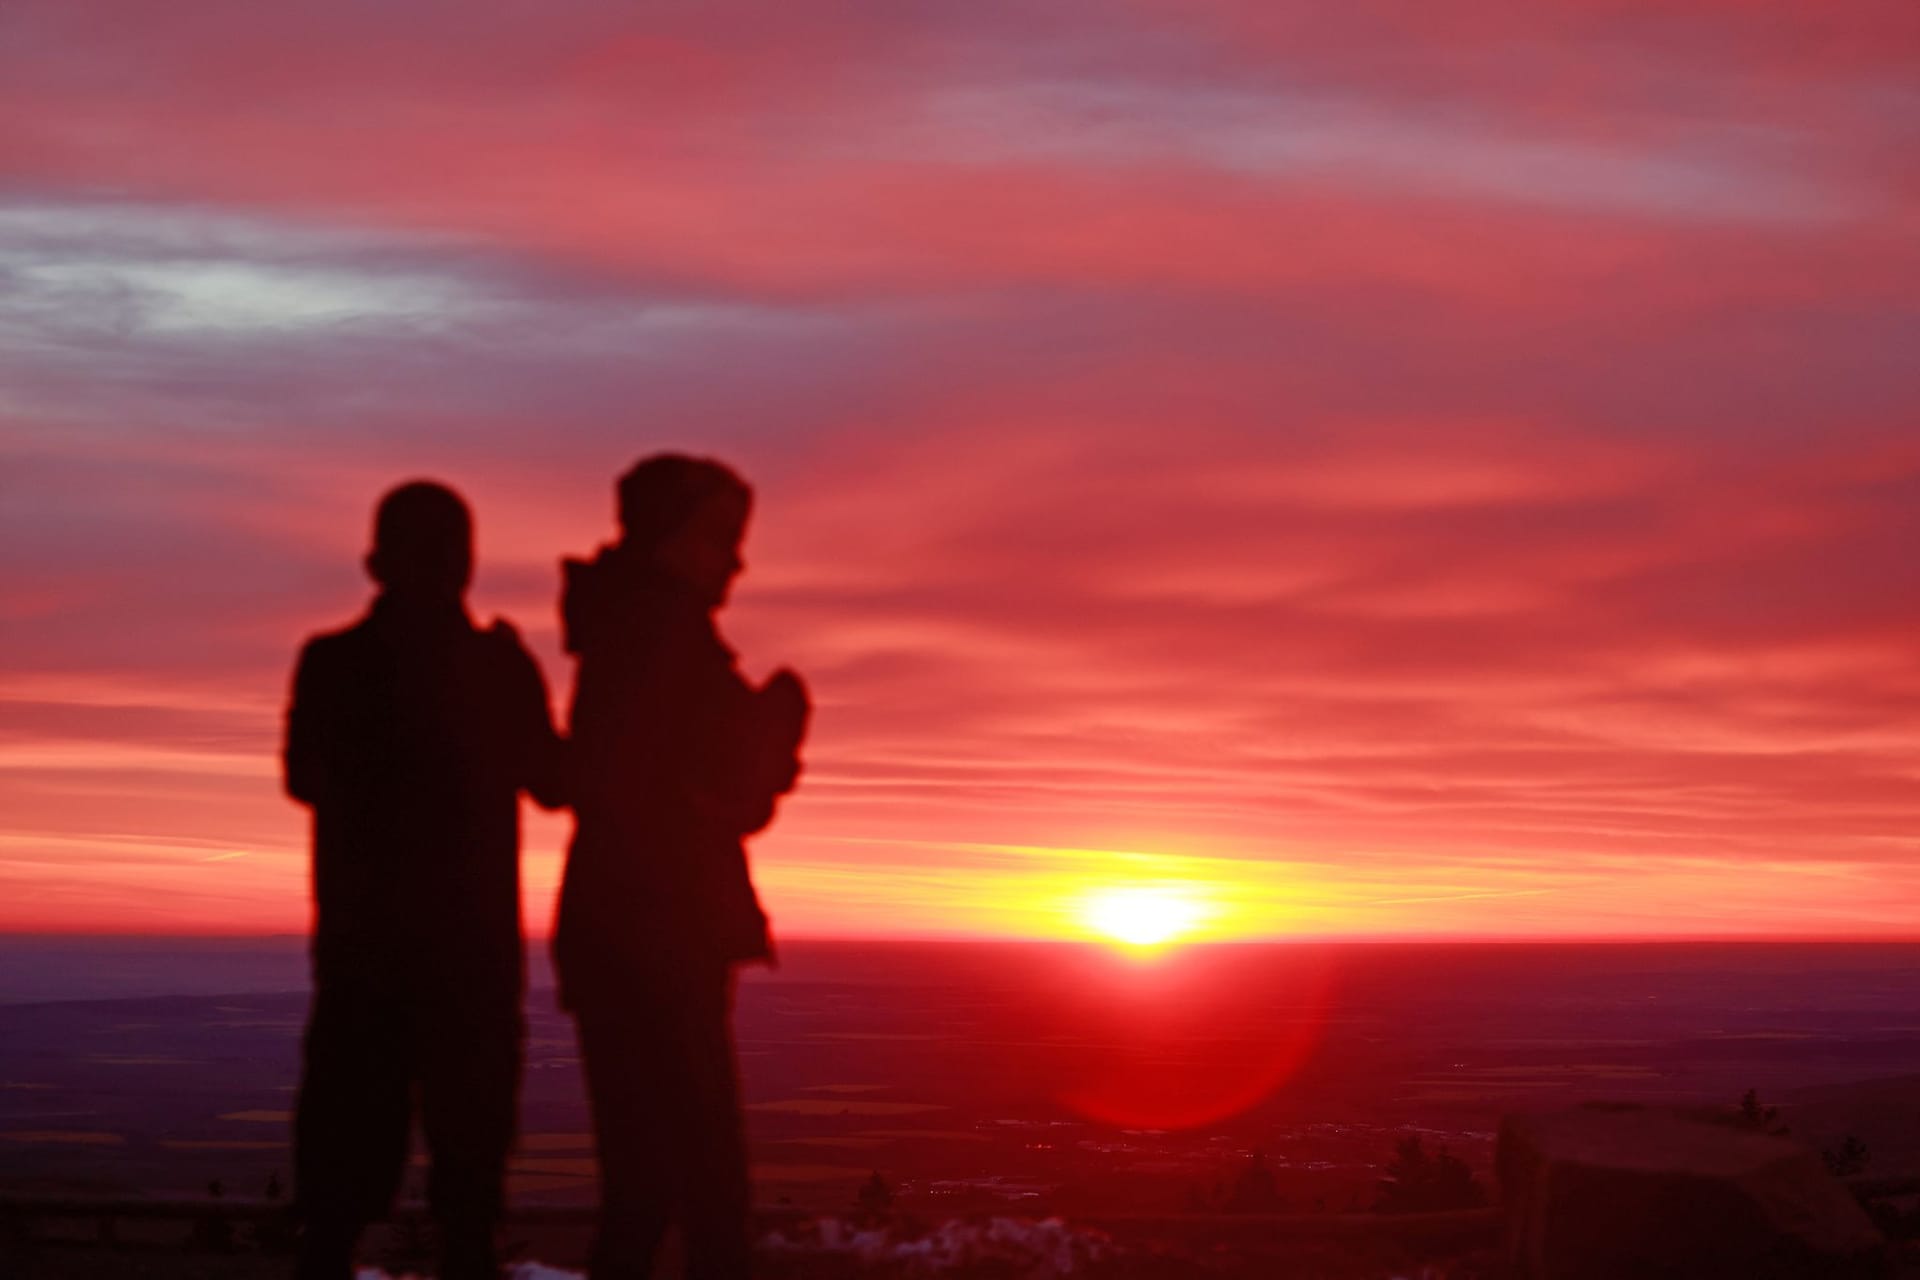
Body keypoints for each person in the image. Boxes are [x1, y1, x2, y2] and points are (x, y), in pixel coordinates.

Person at [283, 480, 566, 1280]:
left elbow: (304, 777)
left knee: (347, 1160)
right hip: (466, 959)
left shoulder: (333, 664)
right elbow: (555, 780)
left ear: (376, 561)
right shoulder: (493, 667)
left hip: (361, 951)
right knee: (468, 1166)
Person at [555, 454, 809, 1280]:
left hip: (615, 931)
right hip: (665, 935)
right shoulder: (668, 638)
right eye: (720, 538)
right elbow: (729, 781)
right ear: (670, 539)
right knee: (703, 1182)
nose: (735, 561)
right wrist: (780, 721)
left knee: (646, 1182)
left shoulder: (631, 634)